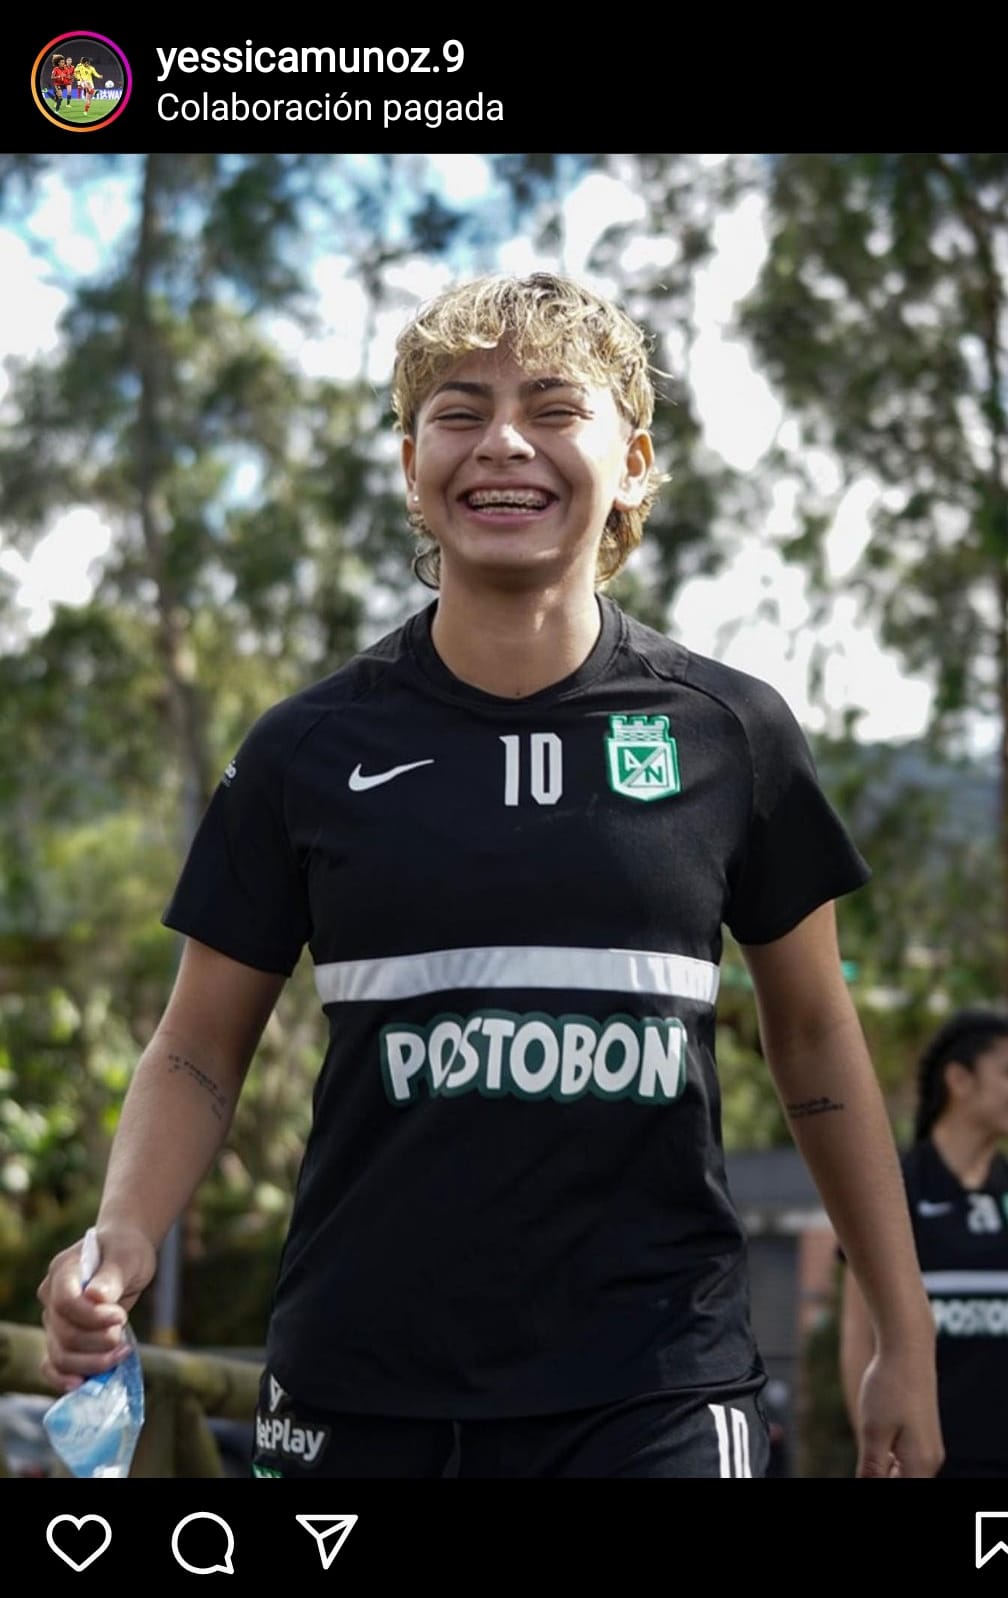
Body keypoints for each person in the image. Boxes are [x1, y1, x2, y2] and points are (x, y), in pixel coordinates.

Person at [38, 271, 943, 1479]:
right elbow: (199, 1044)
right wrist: (121, 1230)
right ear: (412, 465)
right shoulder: (307, 747)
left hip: (657, 1387)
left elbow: (819, 1036)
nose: (503, 442)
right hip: (359, 1386)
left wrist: (903, 1328)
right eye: (459, 413)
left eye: (554, 408)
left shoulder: (732, 732)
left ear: (634, 464)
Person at [840, 1009, 1008, 1478]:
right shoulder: (891, 1193)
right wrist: (880, 1459)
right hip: (924, 1465)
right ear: (959, 1079)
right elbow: (858, 1339)